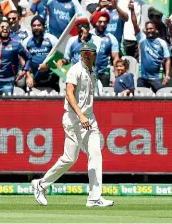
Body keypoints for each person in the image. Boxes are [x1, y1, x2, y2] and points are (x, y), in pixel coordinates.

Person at [31, 42, 114, 208]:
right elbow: (69, 94)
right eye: (84, 53)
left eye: (89, 53)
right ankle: (41, 185)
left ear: (95, 55)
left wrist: (87, 115)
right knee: (69, 159)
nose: (86, 56)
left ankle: (94, 197)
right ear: (81, 54)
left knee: (96, 153)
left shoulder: (93, 71)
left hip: (90, 119)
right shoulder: (75, 70)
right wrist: (81, 115)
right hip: (74, 118)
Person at [0, 18, 33, 94]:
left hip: (8, 83)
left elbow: (29, 57)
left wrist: (24, 71)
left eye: (7, 27)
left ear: (9, 30)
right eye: (2, 27)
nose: (5, 29)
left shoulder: (16, 44)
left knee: (6, 106)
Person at [130, 1, 171, 92]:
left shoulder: (162, 43)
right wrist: (132, 10)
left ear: (156, 30)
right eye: (147, 29)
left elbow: (167, 59)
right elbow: (135, 24)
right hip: (142, 77)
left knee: (160, 103)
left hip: (158, 78)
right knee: (141, 103)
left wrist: (167, 75)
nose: (149, 31)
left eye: (151, 29)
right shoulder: (142, 39)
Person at [22, 16, 60, 92]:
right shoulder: (26, 41)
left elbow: (59, 58)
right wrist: (28, 76)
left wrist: (48, 66)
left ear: (43, 26)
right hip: (34, 78)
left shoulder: (52, 39)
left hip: (51, 78)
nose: (36, 28)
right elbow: (23, 59)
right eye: (34, 25)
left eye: (39, 25)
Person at [90, 11, 119, 87]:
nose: (102, 24)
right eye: (100, 22)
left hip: (104, 73)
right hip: (89, 72)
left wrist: (117, 77)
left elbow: (116, 59)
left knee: (103, 97)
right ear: (95, 22)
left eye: (105, 22)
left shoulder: (111, 38)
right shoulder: (89, 36)